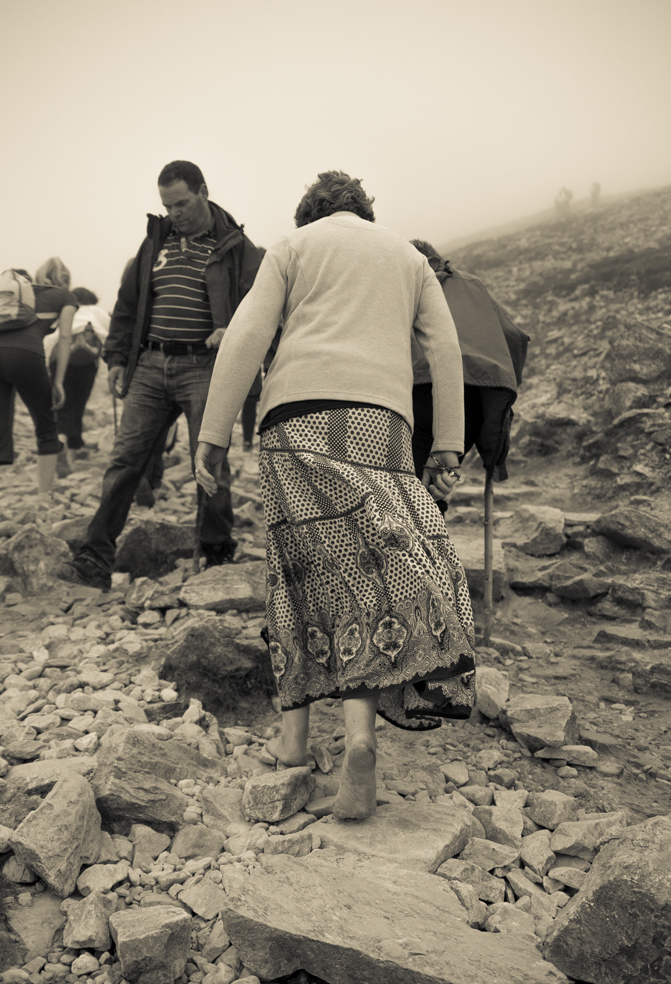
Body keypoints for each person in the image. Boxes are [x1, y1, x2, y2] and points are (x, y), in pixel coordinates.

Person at [195, 170, 475, 821]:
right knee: (367, 571)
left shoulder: (294, 249)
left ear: (309, 213)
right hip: (381, 420)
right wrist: (448, 445)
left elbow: (246, 334)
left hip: (296, 416)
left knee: (296, 575)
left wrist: (212, 434)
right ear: (364, 210)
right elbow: (446, 348)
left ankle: (293, 742)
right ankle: (359, 740)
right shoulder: (407, 255)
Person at [71, 161, 262, 590]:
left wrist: (230, 328)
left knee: (208, 460)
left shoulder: (238, 247)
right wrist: (117, 359)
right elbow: (127, 304)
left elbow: (260, 306)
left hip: (204, 366)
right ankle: (95, 555)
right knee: (125, 460)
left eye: (182, 203)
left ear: (204, 191)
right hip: (151, 366)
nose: (175, 212)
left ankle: (215, 549)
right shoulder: (154, 242)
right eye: (167, 205)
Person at [409, 240, 530, 510]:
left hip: (418, 394)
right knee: (435, 485)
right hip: (471, 403)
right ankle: (431, 534)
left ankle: (419, 544)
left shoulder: (408, 284)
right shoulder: (471, 285)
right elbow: (514, 336)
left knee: (412, 486)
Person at [0, 258, 77, 522]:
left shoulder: (12, 296)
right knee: (45, 426)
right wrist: (59, 381)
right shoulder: (65, 296)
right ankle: (43, 499)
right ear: (65, 278)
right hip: (27, 357)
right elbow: (64, 337)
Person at [47, 287, 110, 473]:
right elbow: (110, 335)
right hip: (86, 366)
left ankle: (62, 444)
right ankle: (70, 454)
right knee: (77, 406)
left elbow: (51, 339)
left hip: (60, 364)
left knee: (62, 406)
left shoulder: (67, 311)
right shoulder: (97, 314)